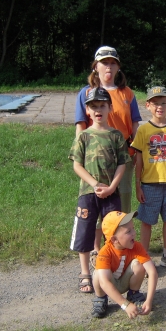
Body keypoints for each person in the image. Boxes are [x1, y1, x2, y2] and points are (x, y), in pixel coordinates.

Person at [75, 46, 142, 254]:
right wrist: (81, 154)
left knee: (120, 204)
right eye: (104, 63)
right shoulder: (85, 93)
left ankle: (118, 249)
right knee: (95, 202)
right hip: (94, 161)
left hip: (122, 159)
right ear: (95, 66)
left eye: (113, 63)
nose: (109, 67)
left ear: (118, 67)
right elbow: (80, 125)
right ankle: (97, 250)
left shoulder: (127, 93)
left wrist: (135, 151)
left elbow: (135, 124)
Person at [69, 87, 131, 294]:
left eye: (102, 105)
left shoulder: (116, 136)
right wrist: (95, 184)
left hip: (112, 194)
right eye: (93, 106)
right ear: (87, 110)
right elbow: (77, 165)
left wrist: (112, 187)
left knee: (113, 233)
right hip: (88, 194)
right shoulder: (83, 136)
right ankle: (85, 273)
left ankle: (110, 268)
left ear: (110, 108)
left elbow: (122, 164)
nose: (98, 110)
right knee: (85, 231)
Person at [130, 85, 166, 271]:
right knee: (147, 221)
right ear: (148, 106)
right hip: (149, 184)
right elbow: (138, 160)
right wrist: (138, 186)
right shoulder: (143, 130)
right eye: (155, 103)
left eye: (163, 103)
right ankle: (144, 258)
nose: (159, 107)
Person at [92, 211, 158, 318]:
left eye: (133, 228)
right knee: (98, 274)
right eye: (128, 231)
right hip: (108, 286)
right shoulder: (105, 252)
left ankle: (133, 294)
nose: (134, 233)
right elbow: (104, 283)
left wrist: (149, 300)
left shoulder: (137, 246)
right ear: (114, 239)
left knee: (139, 264)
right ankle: (101, 298)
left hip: (125, 282)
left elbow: (152, 272)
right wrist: (125, 305)